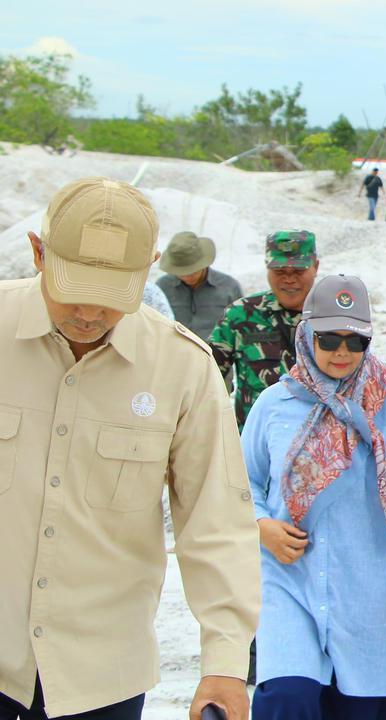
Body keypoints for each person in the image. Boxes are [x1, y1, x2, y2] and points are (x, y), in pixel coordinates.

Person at [0, 177, 260, 720]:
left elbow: (215, 521)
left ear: (149, 270)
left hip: (102, 679)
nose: (89, 313)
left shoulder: (184, 368)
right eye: (74, 291)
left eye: (112, 298)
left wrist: (225, 662)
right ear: (38, 253)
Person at [242, 274, 386, 719]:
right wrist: (260, 524)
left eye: (356, 341)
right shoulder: (274, 405)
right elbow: (240, 482)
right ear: (307, 335)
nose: (342, 352)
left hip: (365, 586)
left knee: (361, 705)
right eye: (329, 339)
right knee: (287, 697)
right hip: (288, 582)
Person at [210, 230, 319, 429]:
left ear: (316, 266)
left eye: (298, 271)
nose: (289, 279)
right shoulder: (241, 315)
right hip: (255, 441)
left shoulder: (333, 316)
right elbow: (206, 378)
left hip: (320, 441)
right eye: (279, 271)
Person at [157, 231, 245, 341]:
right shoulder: (162, 288)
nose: (187, 277)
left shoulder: (230, 287)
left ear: (203, 263)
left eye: (192, 271)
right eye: (181, 273)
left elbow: (241, 326)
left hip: (215, 350)